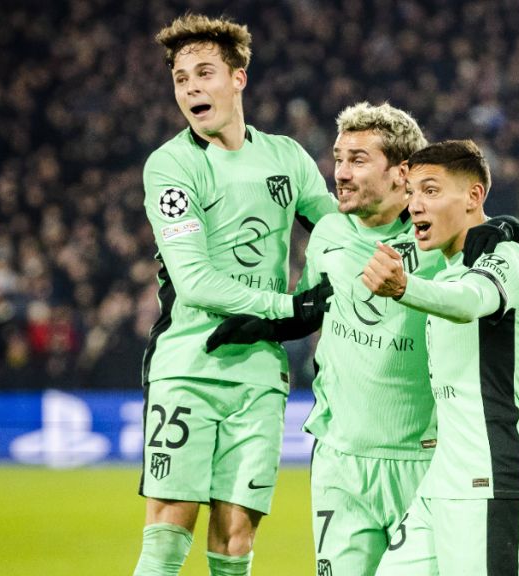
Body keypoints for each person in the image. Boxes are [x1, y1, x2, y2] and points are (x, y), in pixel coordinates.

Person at [206, 102, 519, 575]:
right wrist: (267, 321)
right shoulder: (331, 234)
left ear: (399, 173)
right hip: (346, 455)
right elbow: (315, 303)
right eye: (338, 158)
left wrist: (507, 228)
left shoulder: (455, 248)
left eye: (358, 160)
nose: (341, 172)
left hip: (429, 456)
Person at [134, 14, 336, 576]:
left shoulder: (287, 158)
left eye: (205, 73)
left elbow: (339, 234)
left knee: (236, 541)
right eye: (181, 79)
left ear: (238, 79)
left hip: (260, 375)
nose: (191, 88)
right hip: (188, 366)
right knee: (167, 536)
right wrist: (288, 309)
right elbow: (195, 281)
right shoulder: (172, 165)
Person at [363, 140, 519, 575]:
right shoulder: (451, 268)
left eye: (430, 190)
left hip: (494, 480)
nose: (414, 204)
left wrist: (404, 287)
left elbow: (471, 301)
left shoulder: (505, 257)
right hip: (443, 482)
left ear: (474, 196)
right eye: (411, 192)